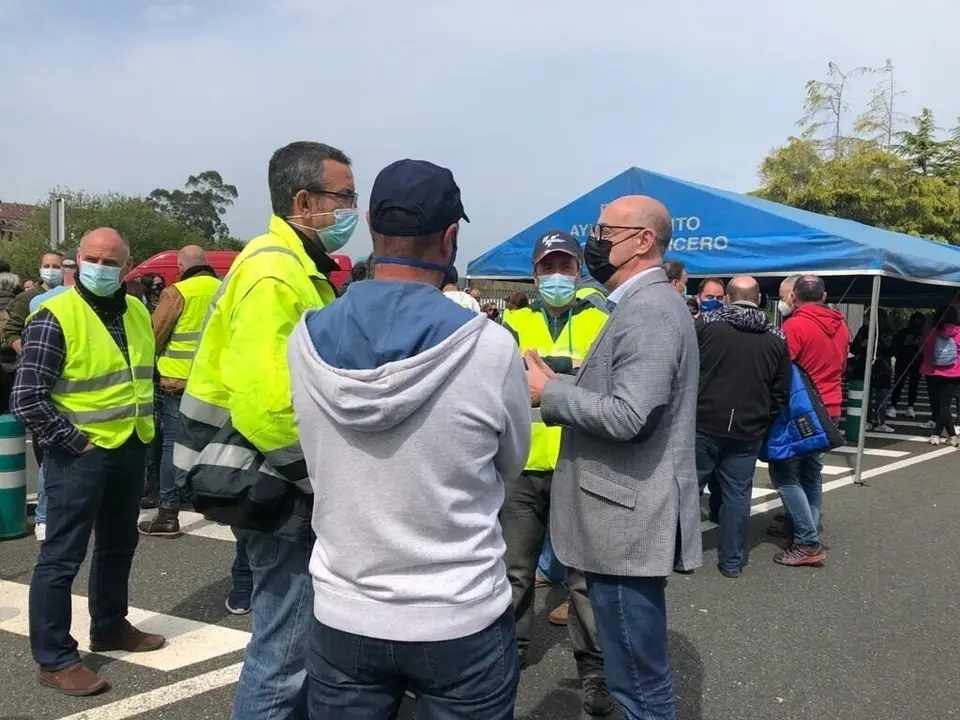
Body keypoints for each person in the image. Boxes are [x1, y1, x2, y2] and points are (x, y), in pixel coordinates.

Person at [289, 159, 529, 719]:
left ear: (372, 224)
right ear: (450, 238)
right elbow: (512, 462)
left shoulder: (304, 340)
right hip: (459, 611)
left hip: (345, 609)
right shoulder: (490, 348)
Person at [174, 141, 355, 719]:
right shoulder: (276, 271)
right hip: (273, 484)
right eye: (344, 197)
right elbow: (266, 405)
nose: (354, 210)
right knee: (284, 654)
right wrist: (321, 482)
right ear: (304, 202)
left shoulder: (295, 266)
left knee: (291, 644)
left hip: (267, 478)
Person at [525, 195, 702, 720]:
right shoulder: (637, 304)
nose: (595, 242)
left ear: (643, 240)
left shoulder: (649, 310)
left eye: (605, 232)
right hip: (619, 516)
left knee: (637, 682)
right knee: (631, 670)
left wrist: (550, 394)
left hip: (624, 523)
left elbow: (630, 415)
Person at [11, 228, 164, 696]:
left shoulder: (137, 310)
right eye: (91, 258)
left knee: (119, 545)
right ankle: (55, 657)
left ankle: (111, 625)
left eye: (110, 260)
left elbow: (142, 376)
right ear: (78, 260)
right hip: (80, 456)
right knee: (61, 557)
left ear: (127, 263)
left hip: (129, 446)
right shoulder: (55, 315)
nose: (100, 266)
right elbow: (27, 397)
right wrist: (74, 441)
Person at [501, 230, 613, 716]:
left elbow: (605, 380)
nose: (557, 276)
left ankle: (594, 672)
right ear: (535, 273)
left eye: (565, 267)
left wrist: (547, 372)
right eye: (549, 267)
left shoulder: (600, 321)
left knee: (583, 578)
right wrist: (571, 371)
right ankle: (510, 652)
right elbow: (501, 378)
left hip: (577, 465)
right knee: (514, 572)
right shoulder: (513, 318)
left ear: (578, 272)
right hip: (520, 466)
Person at [695, 275, 791, 578]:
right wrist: (764, 417)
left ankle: (674, 554)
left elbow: (684, 371)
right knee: (738, 496)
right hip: (749, 428)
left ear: (727, 298)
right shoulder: (776, 337)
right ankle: (732, 561)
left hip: (704, 422)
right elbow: (781, 390)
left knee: (688, 491)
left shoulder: (706, 327)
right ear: (760, 299)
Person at [139, 245, 221, 539]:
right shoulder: (225, 289)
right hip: (215, 382)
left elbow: (153, 336)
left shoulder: (177, 292)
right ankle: (213, 500)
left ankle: (168, 513)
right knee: (213, 443)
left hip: (178, 382)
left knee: (173, 445)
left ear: (182, 266)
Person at [770, 274, 850, 567]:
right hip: (831, 406)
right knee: (811, 473)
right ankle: (806, 529)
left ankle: (806, 540)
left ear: (794, 297)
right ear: (824, 295)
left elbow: (781, 370)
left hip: (802, 410)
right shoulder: (841, 325)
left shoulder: (795, 326)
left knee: (785, 473)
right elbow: (842, 364)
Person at [919, 305, 960, 446]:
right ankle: (947, 436)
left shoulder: (930, 332)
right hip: (954, 372)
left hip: (933, 372)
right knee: (945, 405)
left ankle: (941, 435)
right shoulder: (959, 333)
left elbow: (923, 348)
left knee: (938, 405)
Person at [849, 309, 895, 433]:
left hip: (883, 367)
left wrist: (879, 344)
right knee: (866, 396)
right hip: (864, 366)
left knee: (882, 396)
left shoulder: (888, 332)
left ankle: (881, 421)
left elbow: (892, 350)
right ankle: (867, 421)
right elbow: (854, 349)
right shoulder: (864, 330)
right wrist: (862, 344)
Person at [890, 312, 926, 419]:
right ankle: (895, 406)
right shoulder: (904, 333)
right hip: (904, 362)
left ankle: (907, 406)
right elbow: (895, 347)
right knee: (900, 384)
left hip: (913, 362)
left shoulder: (923, 334)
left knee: (911, 385)